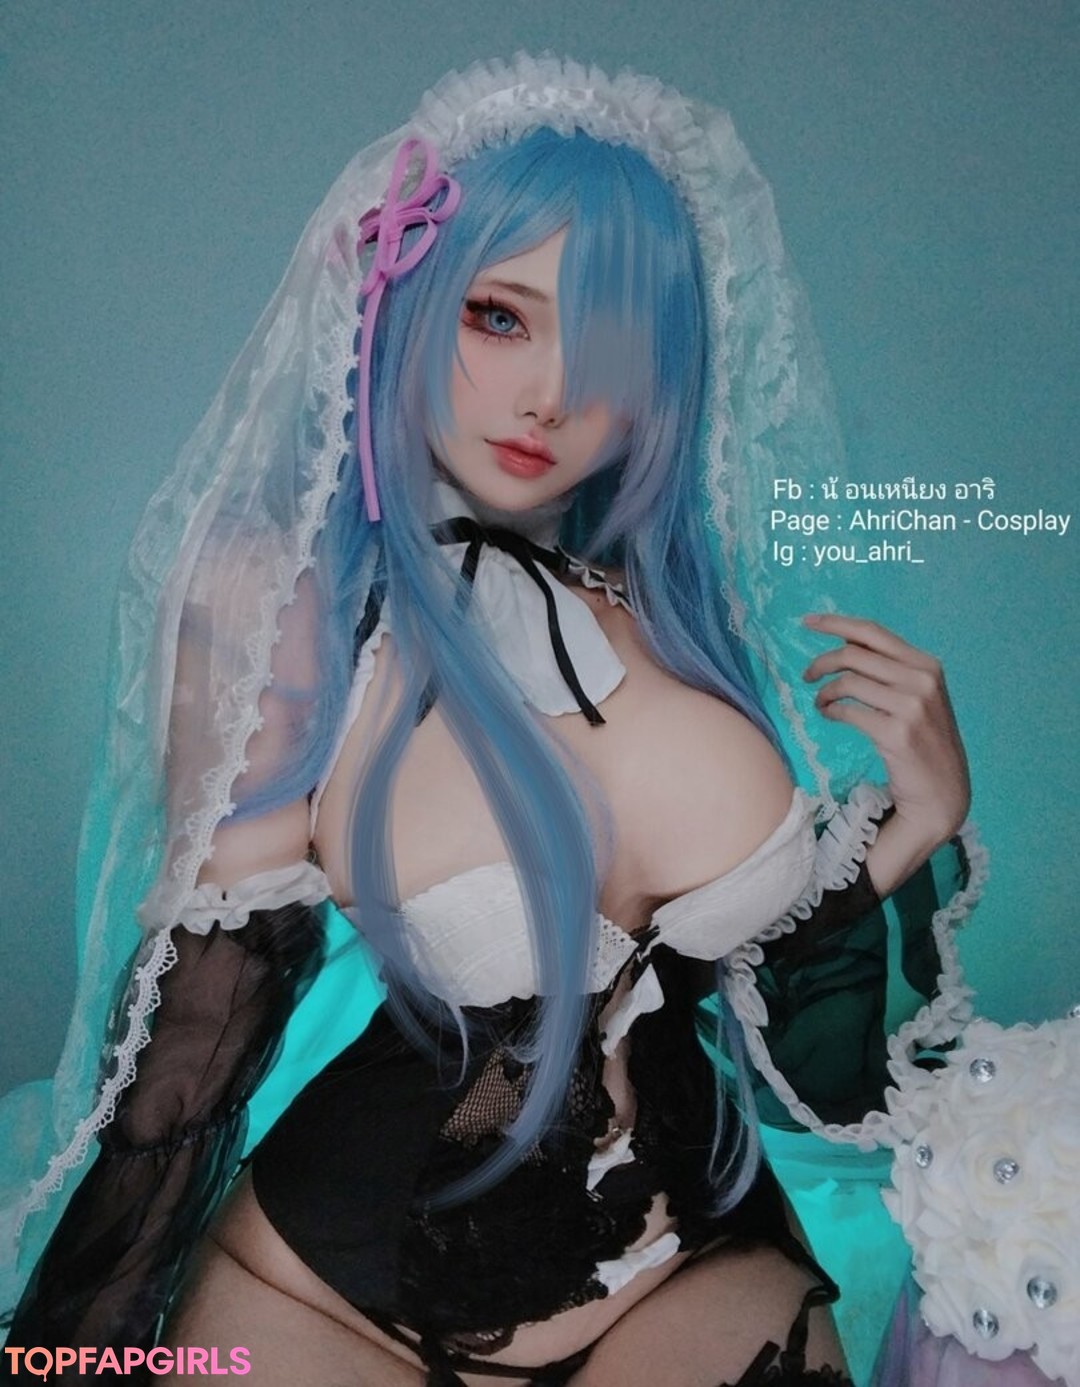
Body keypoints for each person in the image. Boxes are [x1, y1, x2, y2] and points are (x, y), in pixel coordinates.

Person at [1, 57, 981, 1386]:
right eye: (499, 316)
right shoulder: (284, 600)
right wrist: (82, 1340)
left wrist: (920, 823)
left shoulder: (675, 614)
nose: (549, 397)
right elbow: (209, 1013)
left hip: (690, 1257)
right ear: (401, 300)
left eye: (611, 351)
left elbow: (782, 1035)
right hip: (333, 1292)